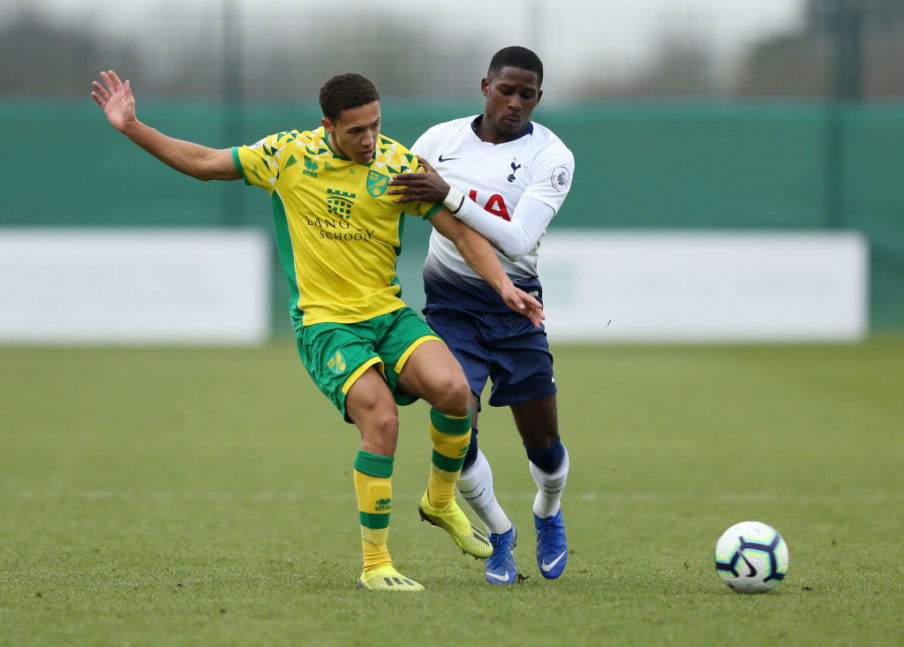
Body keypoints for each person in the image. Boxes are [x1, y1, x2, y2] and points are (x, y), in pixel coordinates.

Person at [90, 69, 545, 592]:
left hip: (388, 316)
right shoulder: (287, 157)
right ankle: (376, 564)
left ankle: (439, 500)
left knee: (455, 393)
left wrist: (503, 287)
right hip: (326, 323)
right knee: (382, 420)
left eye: (376, 124)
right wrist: (132, 127)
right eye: (356, 131)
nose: (370, 139)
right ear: (327, 125)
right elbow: (205, 163)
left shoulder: (398, 165)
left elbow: (460, 233)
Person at [389, 46, 574, 585]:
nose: (515, 102)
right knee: (455, 422)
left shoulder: (552, 157)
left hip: (517, 305)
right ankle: (499, 532)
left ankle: (548, 510)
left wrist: (449, 193)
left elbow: (518, 240)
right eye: (506, 90)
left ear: (539, 97)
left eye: (528, 94)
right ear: (485, 85)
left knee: (543, 442)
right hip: (450, 306)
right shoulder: (437, 142)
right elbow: (390, 200)